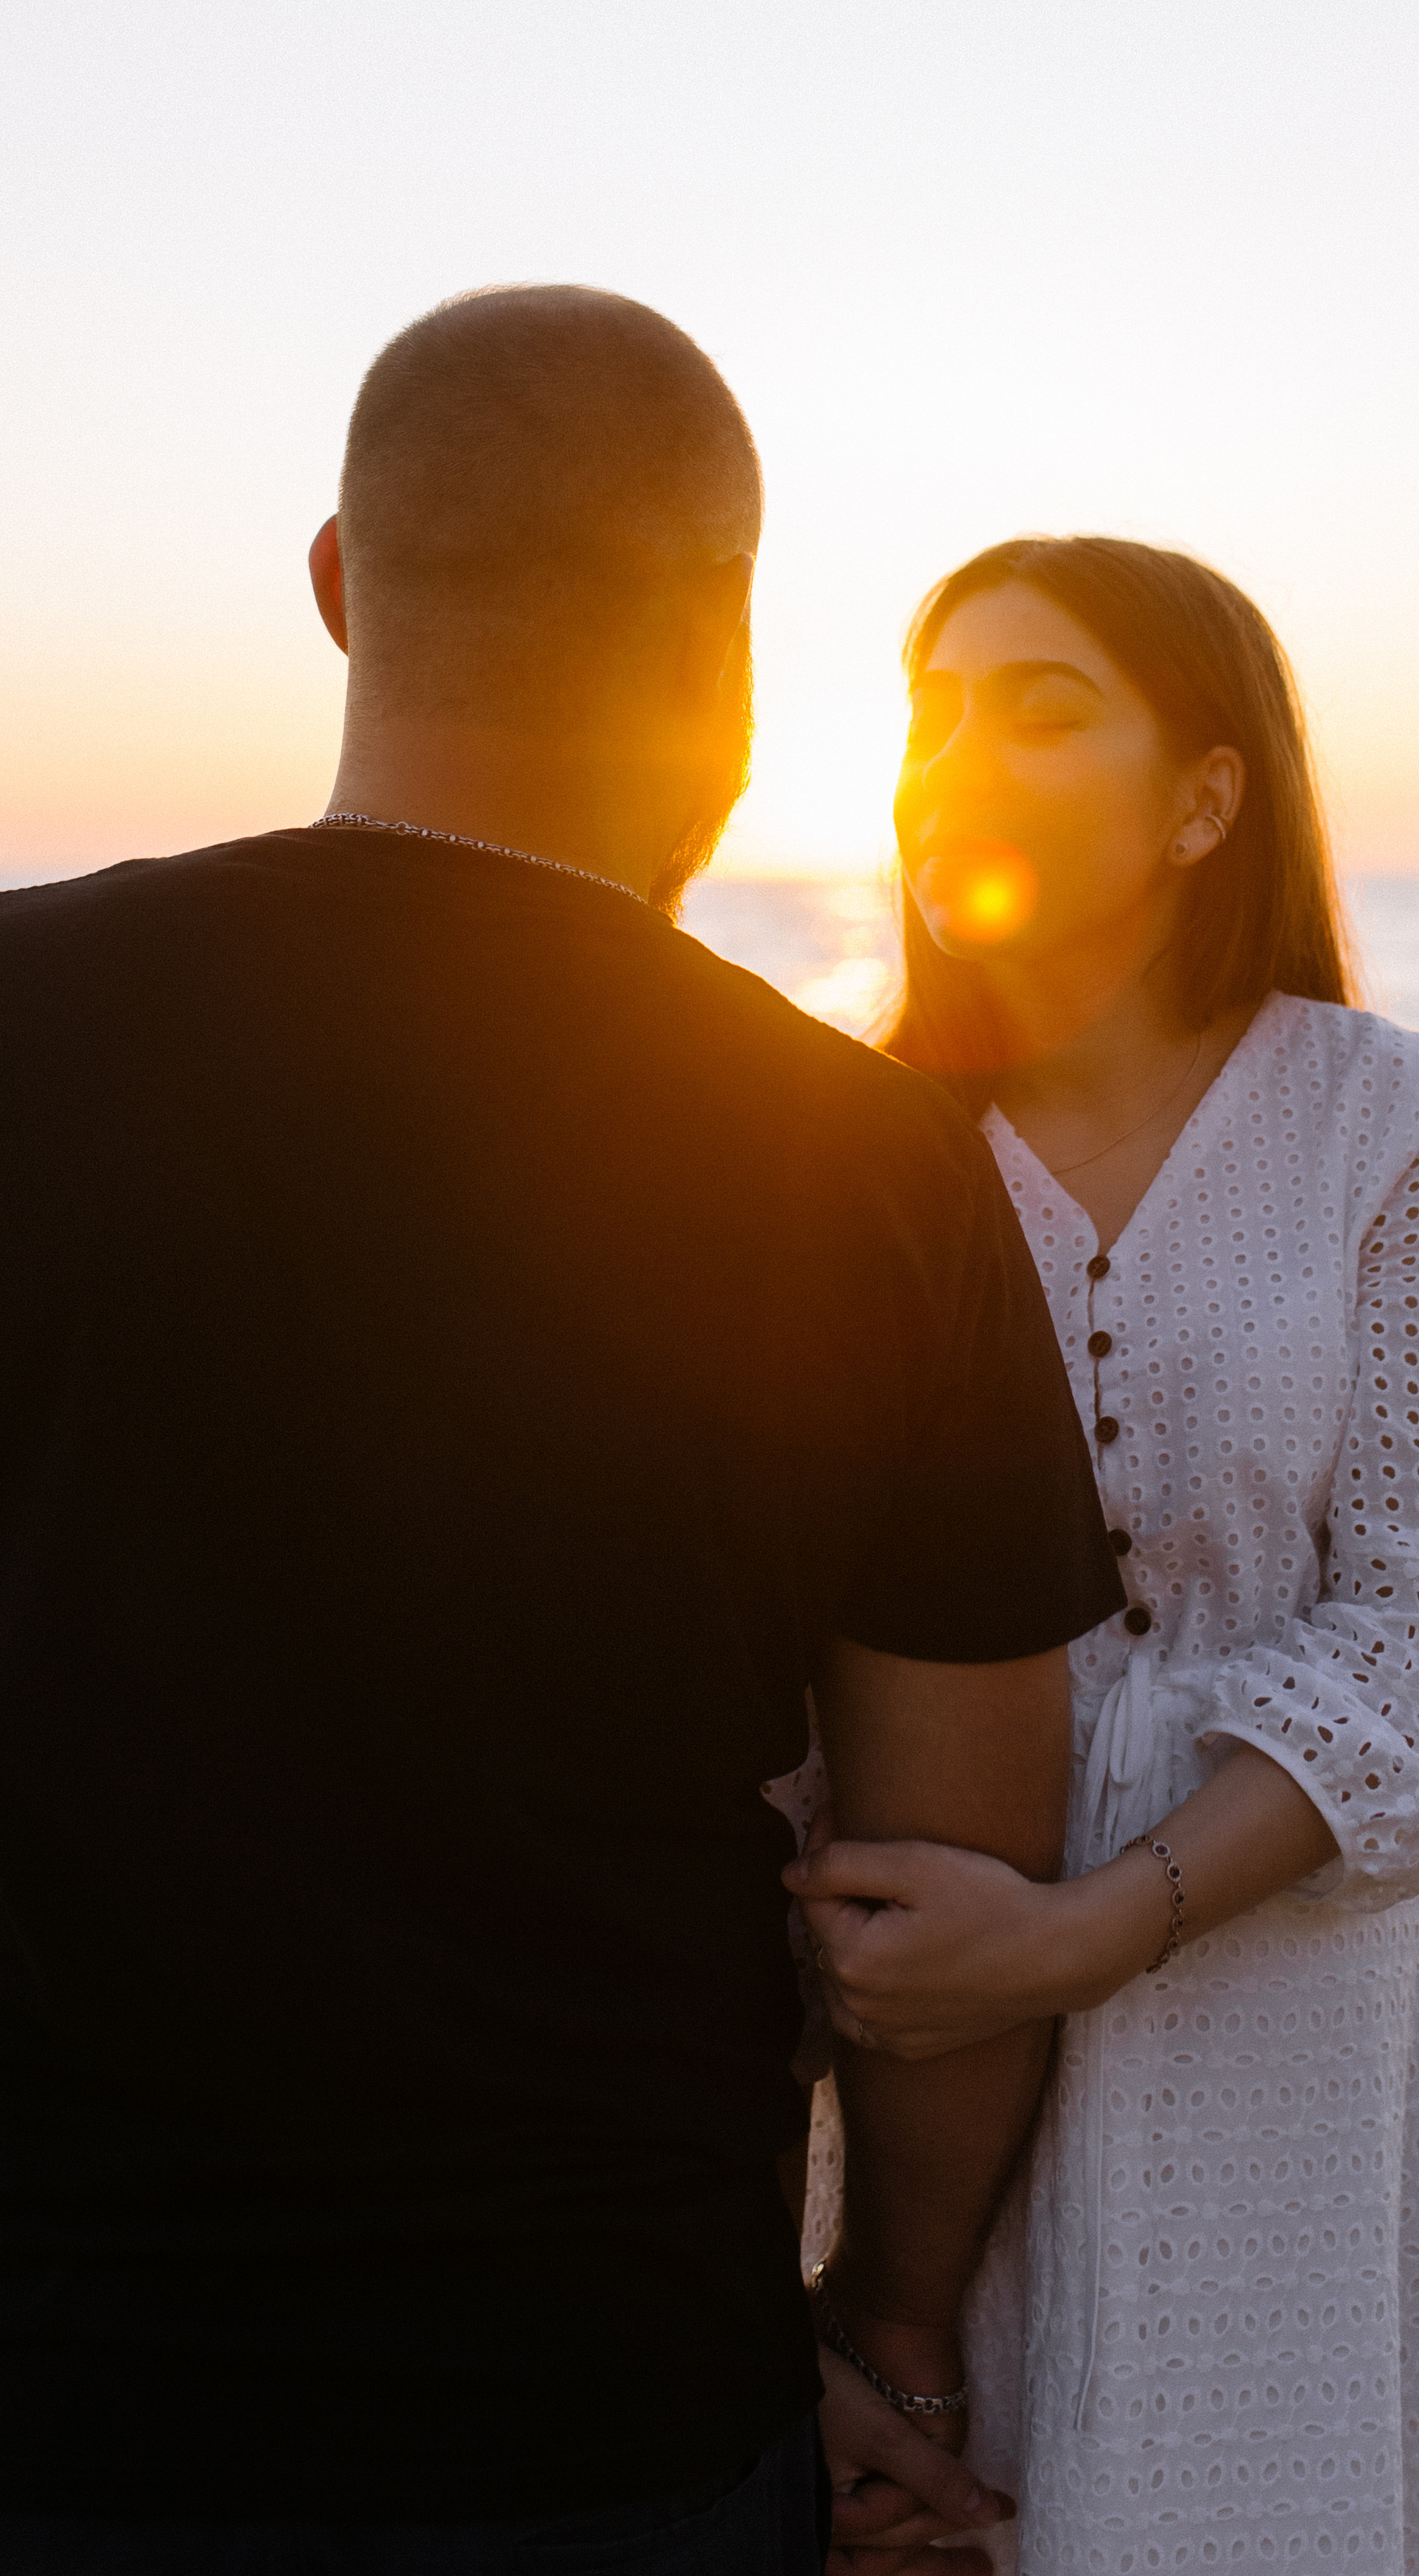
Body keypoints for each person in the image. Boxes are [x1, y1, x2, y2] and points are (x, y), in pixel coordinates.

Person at [0, 293, 1125, 2573]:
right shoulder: (866, 1160)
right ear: (726, 627)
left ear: (336, 582)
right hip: (600, 2411)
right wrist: (893, 2337)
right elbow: (940, 1892)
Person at [788, 537, 1419, 2576]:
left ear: (1203, 796)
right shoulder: (850, 1141)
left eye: (1040, 703)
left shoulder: (1369, 1114)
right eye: (929, 702)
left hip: (1286, 1991)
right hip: (921, 2007)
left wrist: (1088, 1928)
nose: (957, 748)